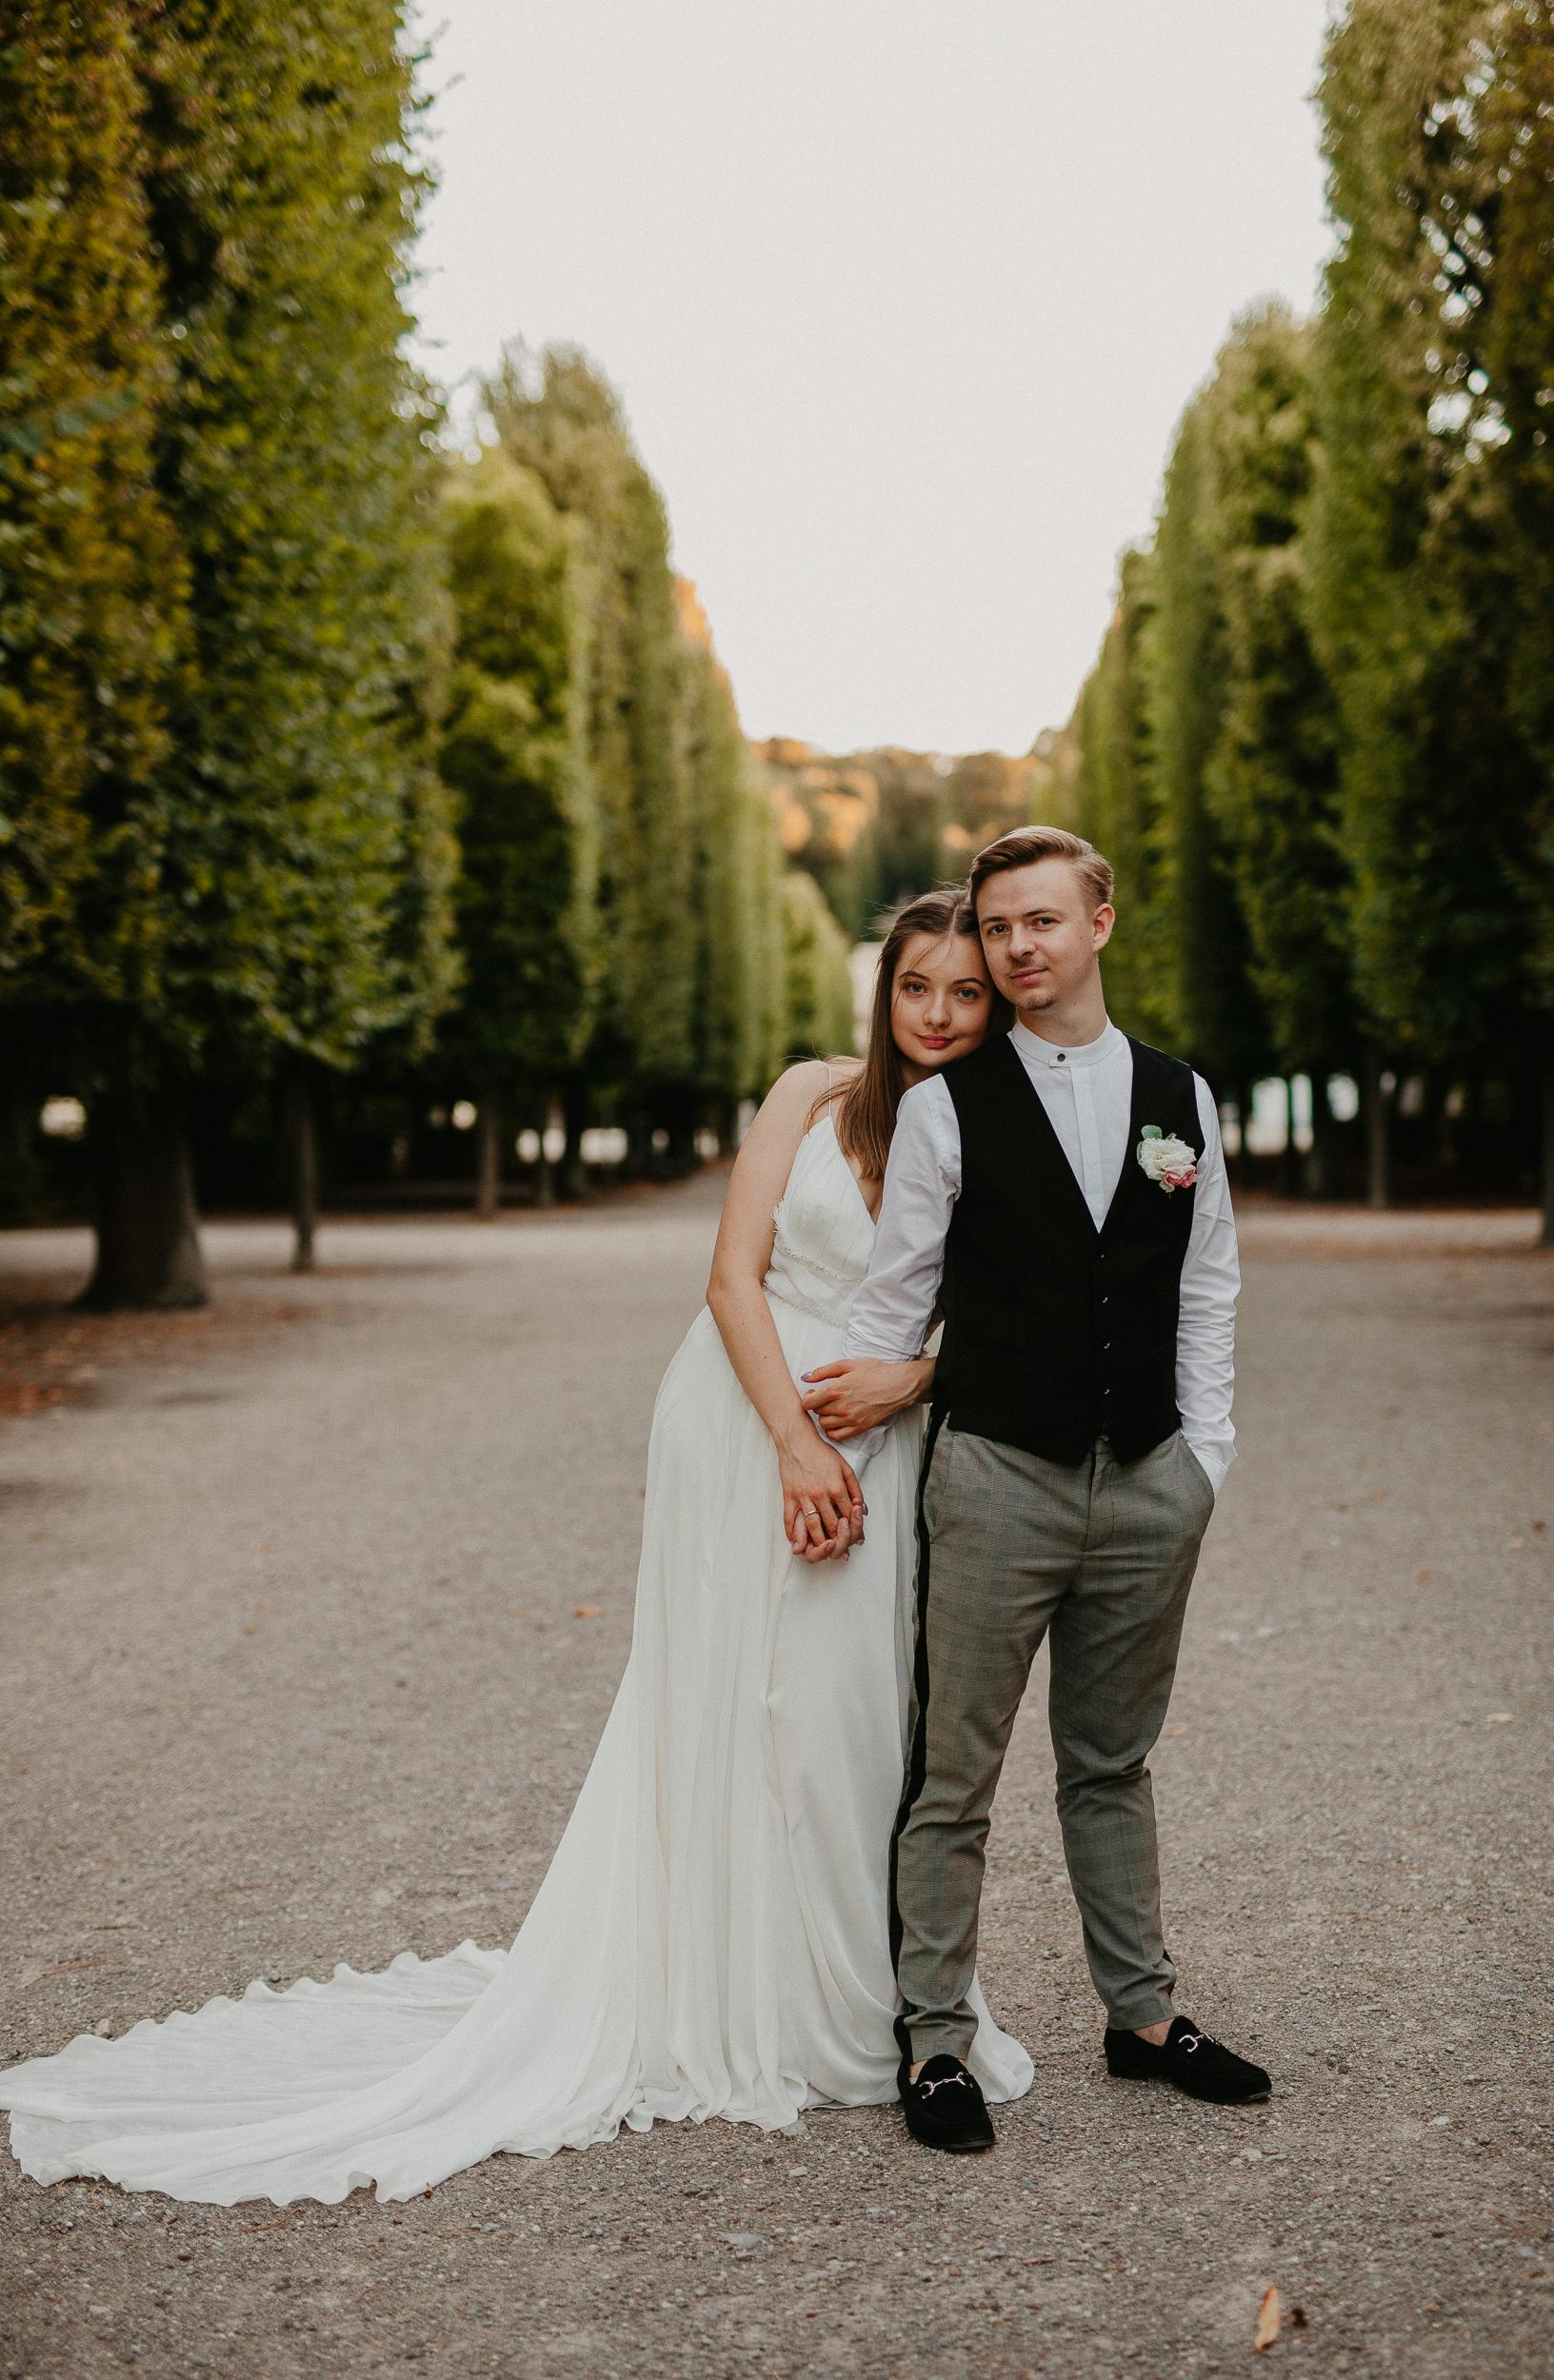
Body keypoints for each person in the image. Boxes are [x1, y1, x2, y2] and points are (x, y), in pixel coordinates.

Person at [1, 888, 1030, 2208]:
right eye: (917, 989)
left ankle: (855, 2004)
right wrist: (793, 1441)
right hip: (741, 1415)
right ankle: (730, 1996)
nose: (941, 1016)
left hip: (883, 1432)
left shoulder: (1004, 1132)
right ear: (882, 995)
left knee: (848, 1715)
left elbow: (1020, 1319)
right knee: (722, 1698)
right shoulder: (811, 1097)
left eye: (967, 994)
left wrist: (911, 1389)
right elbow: (730, 1276)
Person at [822, 826, 1269, 2155]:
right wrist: (833, 1470)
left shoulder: (1182, 1099)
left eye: (1042, 922)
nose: (1017, 947)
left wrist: (1205, 1461)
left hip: (1148, 1484)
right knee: (953, 1772)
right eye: (999, 925)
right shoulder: (946, 1106)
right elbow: (894, 1302)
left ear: (1099, 925)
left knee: (1110, 1763)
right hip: (998, 1478)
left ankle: (1142, 2019)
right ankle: (936, 2043)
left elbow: (1208, 1283)